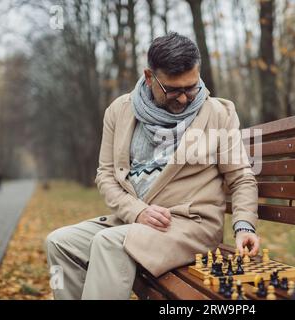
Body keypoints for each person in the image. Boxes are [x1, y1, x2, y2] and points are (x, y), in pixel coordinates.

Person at [45, 32, 259, 300]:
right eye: (173, 89)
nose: (183, 98)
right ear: (149, 77)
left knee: (110, 243)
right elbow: (106, 175)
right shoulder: (119, 112)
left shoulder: (218, 113)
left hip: (190, 227)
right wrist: (136, 212)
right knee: (59, 242)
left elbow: (241, 178)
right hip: (135, 222)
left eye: (191, 87)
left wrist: (244, 227)